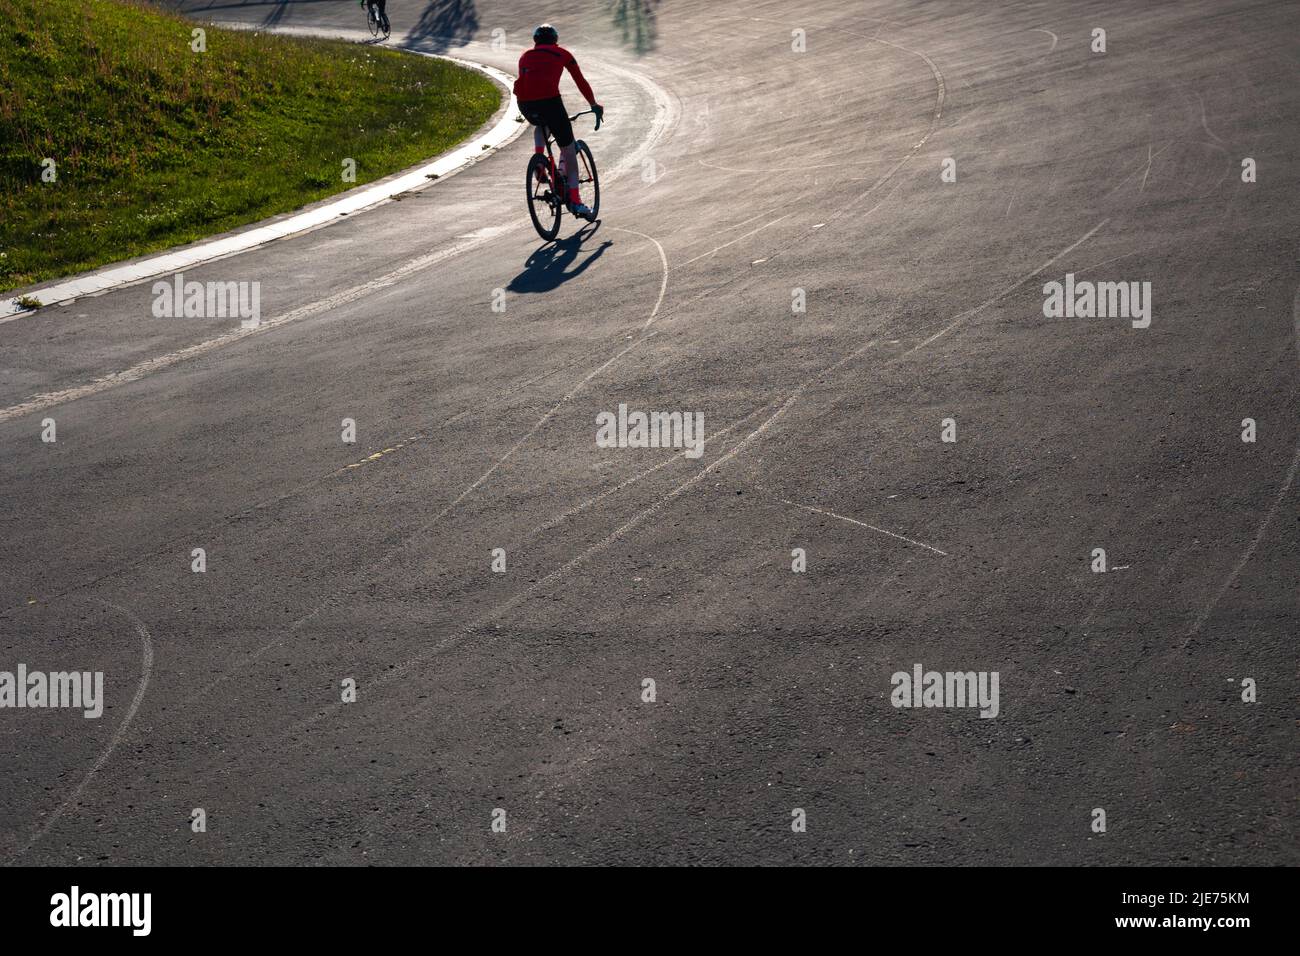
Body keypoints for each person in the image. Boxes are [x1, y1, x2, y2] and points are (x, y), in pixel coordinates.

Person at [515, 24, 604, 219]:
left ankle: (539, 159)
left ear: (535, 41)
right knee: (569, 150)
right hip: (550, 102)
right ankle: (576, 202)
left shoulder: (525, 55)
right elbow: (580, 81)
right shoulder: (562, 53)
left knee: (541, 124)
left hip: (524, 103)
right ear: (555, 40)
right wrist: (594, 104)